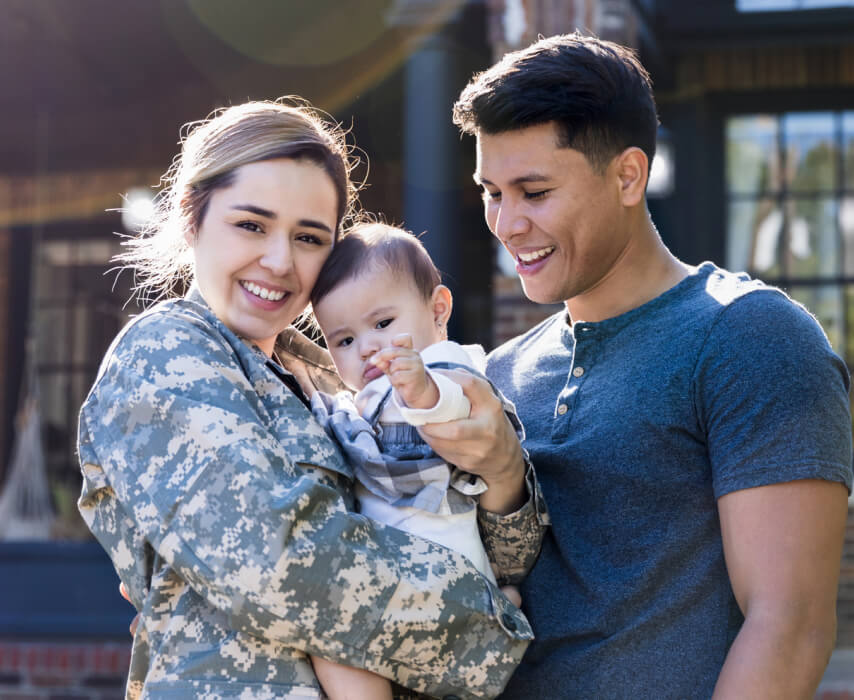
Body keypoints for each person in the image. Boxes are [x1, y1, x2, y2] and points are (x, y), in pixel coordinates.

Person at [77, 97, 547, 700]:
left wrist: (503, 468)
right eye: (251, 225)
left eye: (309, 237)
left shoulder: (336, 378)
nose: (279, 261)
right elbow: (280, 567)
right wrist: (488, 625)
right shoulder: (166, 354)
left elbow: (508, 557)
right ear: (193, 219)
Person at [449, 33, 853, 698]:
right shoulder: (501, 373)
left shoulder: (748, 335)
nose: (506, 222)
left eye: (534, 191)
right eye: (491, 191)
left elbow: (790, 624)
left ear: (627, 175)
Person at [305, 222, 527, 699]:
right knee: (333, 642)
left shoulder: (444, 364)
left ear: (438, 309)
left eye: (383, 324)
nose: (367, 347)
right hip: (395, 583)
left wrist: (420, 389)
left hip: (441, 569)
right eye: (343, 340)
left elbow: (457, 406)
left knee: (333, 632)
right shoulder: (355, 402)